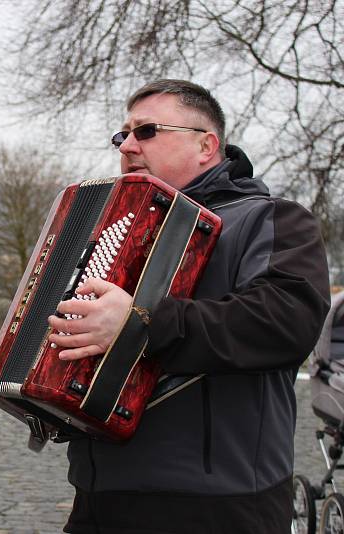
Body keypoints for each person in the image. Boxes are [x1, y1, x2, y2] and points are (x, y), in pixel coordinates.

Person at [47, 79, 330, 534]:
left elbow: (285, 323)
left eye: (147, 131)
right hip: (100, 494)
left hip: (216, 503)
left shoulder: (270, 218)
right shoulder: (114, 227)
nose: (128, 145)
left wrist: (142, 322)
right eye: (123, 135)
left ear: (206, 145)